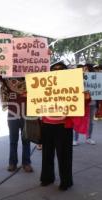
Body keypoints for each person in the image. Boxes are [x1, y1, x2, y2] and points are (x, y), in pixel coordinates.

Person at [40, 62, 74, 191]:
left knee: (64, 156)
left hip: (63, 126)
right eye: (54, 69)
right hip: (47, 125)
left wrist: (86, 98)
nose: (57, 71)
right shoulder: (44, 84)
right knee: (47, 154)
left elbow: (80, 101)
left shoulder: (72, 85)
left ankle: (66, 181)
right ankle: (47, 178)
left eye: (60, 69)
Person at [0, 77, 33, 173]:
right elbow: (0, 76)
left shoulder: (31, 78)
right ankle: (12, 163)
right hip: (12, 113)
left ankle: (26, 163)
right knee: (13, 140)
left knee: (26, 139)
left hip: (26, 113)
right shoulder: (7, 79)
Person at [73, 64, 96, 145]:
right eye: (83, 69)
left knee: (90, 122)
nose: (84, 70)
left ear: (90, 70)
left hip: (91, 103)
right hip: (80, 102)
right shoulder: (77, 78)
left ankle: (89, 138)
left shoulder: (95, 78)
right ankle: (75, 139)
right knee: (77, 121)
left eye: (86, 69)